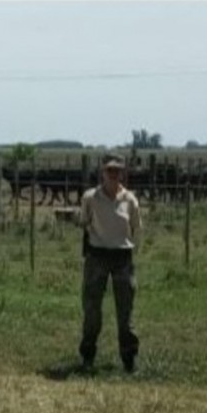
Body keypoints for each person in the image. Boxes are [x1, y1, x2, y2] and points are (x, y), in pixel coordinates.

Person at [78, 153, 142, 373]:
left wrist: (131, 250)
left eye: (117, 170)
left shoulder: (130, 199)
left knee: (125, 313)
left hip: (122, 258)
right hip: (97, 256)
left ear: (122, 173)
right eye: (109, 170)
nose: (113, 174)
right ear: (102, 172)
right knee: (92, 311)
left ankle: (129, 359)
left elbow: (136, 228)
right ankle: (87, 356)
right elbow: (84, 222)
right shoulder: (90, 198)